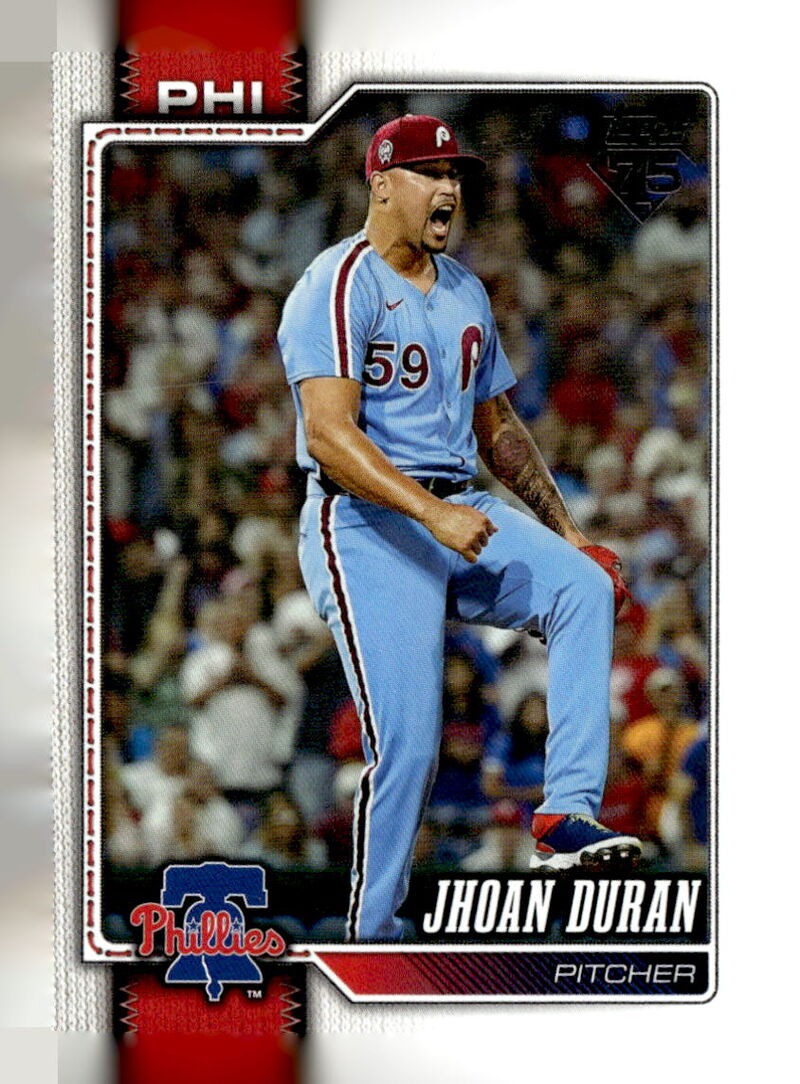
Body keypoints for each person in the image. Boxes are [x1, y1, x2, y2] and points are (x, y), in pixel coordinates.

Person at [278, 114, 640, 941]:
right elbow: (328, 434)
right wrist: (431, 511)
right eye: (430, 172)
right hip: (364, 522)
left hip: (458, 506)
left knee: (583, 588)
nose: (449, 188)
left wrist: (568, 533)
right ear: (381, 184)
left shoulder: (466, 290)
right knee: (409, 746)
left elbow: (497, 427)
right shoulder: (337, 282)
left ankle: (565, 814)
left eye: (455, 174)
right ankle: (372, 937)